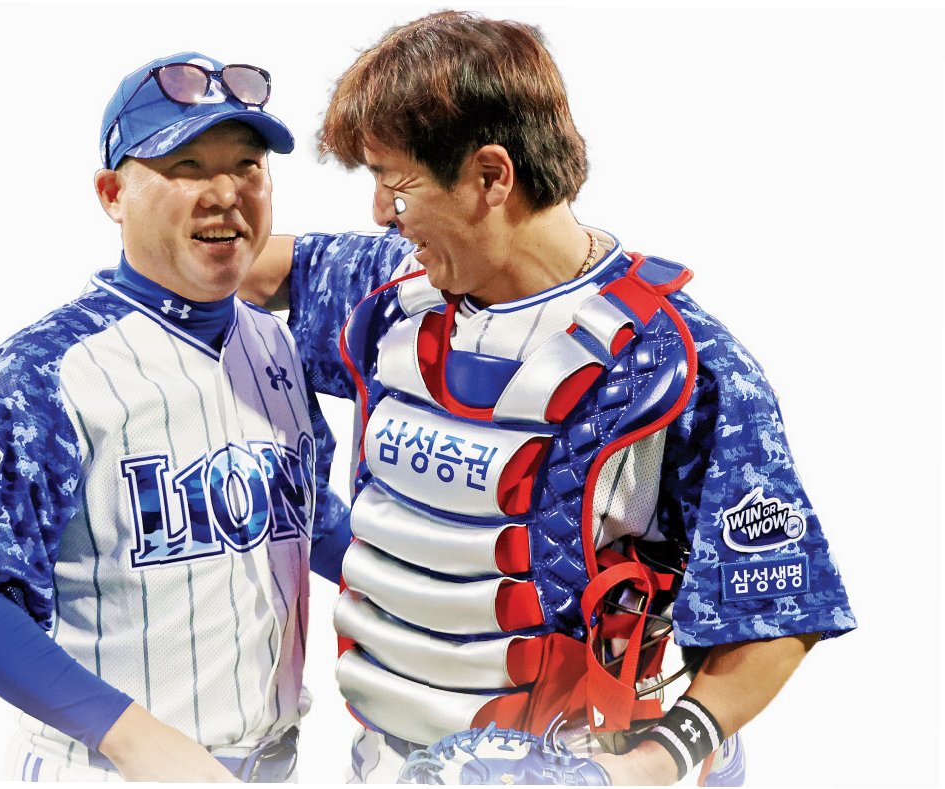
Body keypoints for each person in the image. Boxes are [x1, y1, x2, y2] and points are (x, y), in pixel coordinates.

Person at [241, 11, 856, 786]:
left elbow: (777, 611)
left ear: (490, 176)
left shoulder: (674, 365)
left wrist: (651, 764)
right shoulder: (387, 289)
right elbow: (241, 270)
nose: (378, 212)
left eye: (395, 183)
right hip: (388, 761)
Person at [0, 51, 350, 783]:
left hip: (273, 764)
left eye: (247, 166)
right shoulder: (47, 369)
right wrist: (128, 735)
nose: (225, 193)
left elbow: (304, 514)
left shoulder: (276, 344)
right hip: (105, 770)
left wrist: (441, 596)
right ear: (112, 194)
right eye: (185, 167)